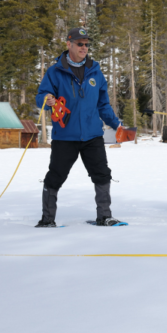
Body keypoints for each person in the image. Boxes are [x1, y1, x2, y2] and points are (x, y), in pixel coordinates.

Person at [34, 27, 125, 227]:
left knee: (102, 174)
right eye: (80, 44)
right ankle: (47, 219)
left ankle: (105, 216)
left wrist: (116, 125)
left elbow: (103, 105)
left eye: (87, 44)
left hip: (92, 135)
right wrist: (46, 99)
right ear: (69, 44)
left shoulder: (96, 72)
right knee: (56, 176)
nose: (84, 47)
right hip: (65, 136)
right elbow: (40, 96)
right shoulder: (55, 71)